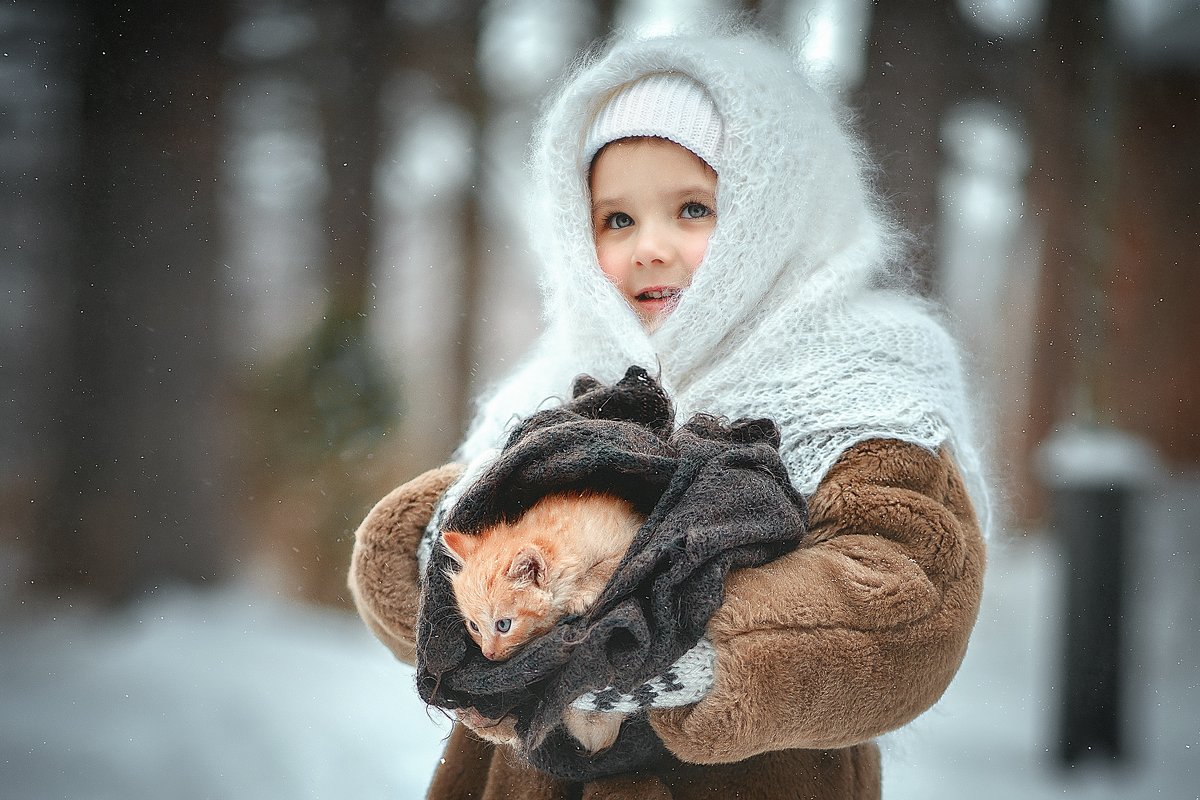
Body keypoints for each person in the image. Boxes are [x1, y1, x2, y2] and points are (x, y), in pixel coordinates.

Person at [350, 24, 988, 800]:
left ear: (774, 207)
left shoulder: (862, 375)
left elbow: (904, 601)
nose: (649, 247)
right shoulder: (556, 379)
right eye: (617, 219)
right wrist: (439, 579)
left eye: (692, 208)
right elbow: (440, 561)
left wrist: (674, 651)